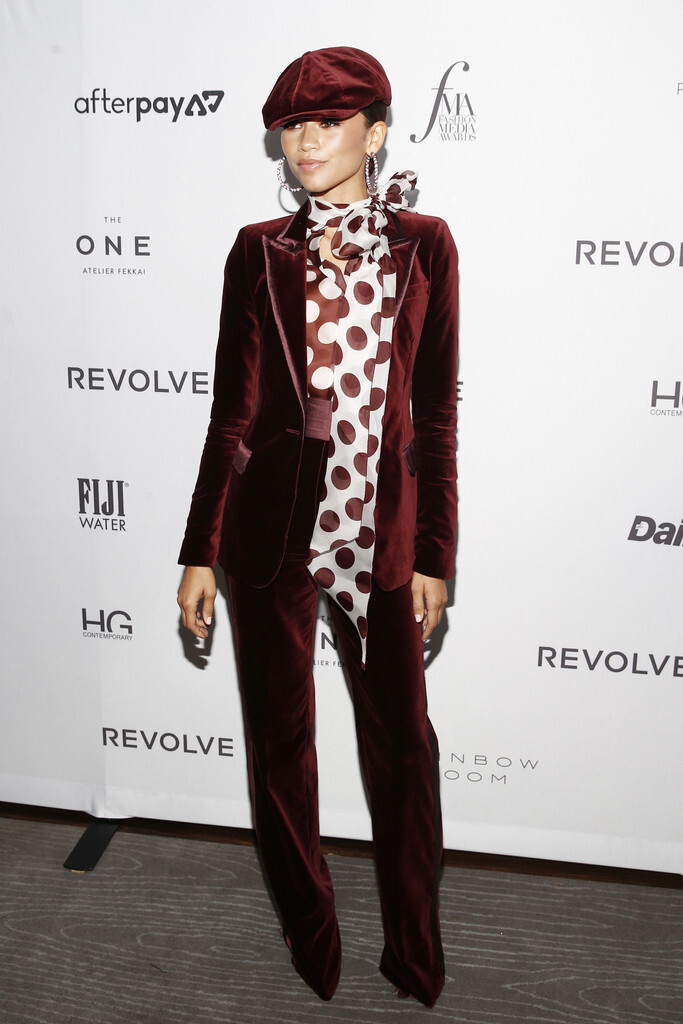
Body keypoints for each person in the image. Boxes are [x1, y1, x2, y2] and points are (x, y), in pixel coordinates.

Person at [177, 46, 458, 1007]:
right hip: (270, 537)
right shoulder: (258, 249)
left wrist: (434, 552)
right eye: (292, 126)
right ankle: (312, 936)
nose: (305, 142)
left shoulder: (427, 244)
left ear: (373, 134)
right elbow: (231, 414)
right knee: (279, 745)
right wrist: (199, 549)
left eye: (327, 123)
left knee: (403, 746)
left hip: (378, 536)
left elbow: (435, 413)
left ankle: (414, 948)